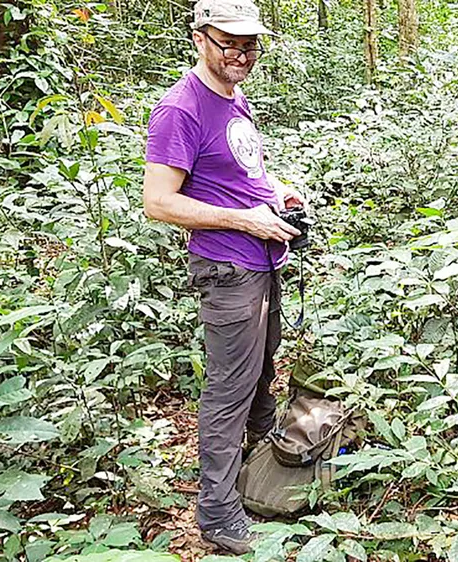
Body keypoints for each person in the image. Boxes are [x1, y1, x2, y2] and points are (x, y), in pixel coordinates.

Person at [141, 0, 305, 553]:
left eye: (249, 44)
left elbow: (240, 170)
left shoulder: (234, 98)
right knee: (229, 387)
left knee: (261, 373)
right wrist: (244, 218)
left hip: (262, 259)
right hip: (228, 267)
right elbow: (159, 202)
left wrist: (276, 192)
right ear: (198, 39)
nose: (240, 54)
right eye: (227, 42)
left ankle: (258, 470)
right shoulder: (180, 109)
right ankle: (216, 513)